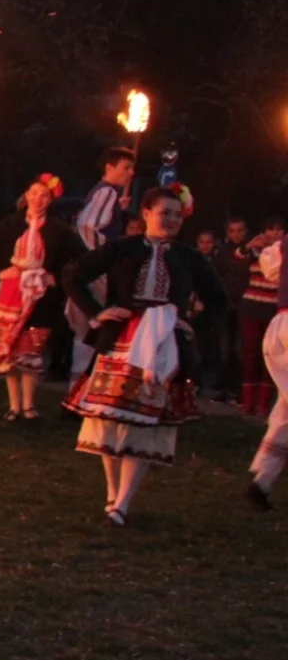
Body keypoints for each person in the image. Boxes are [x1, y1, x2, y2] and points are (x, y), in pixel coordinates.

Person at [61, 186, 227, 527]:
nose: (170, 220)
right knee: (111, 417)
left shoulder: (189, 257)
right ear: (147, 213)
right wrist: (96, 313)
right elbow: (73, 275)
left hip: (163, 346)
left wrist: (191, 326)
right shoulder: (122, 248)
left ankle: (123, 503)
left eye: (177, 215)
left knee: (147, 422)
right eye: (164, 212)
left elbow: (219, 301)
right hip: (122, 339)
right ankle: (112, 493)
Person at [0, 175, 83, 421]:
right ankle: (14, 405)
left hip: (41, 295)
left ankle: (29, 406)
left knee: (32, 349)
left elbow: (80, 256)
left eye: (44, 195)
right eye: (34, 193)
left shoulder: (59, 229)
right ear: (27, 195)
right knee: (11, 350)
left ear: (50, 200)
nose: (38, 199)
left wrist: (58, 278)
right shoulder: (11, 223)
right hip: (12, 292)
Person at [68, 147, 137, 377]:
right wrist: (101, 259)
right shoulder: (107, 192)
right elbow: (88, 225)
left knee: (90, 331)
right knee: (92, 328)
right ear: (109, 167)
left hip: (94, 269)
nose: (130, 173)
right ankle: (81, 385)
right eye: (125, 167)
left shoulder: (108, 194)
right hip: (98, 273)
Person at [245, 234, 288, 509]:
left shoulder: (283, 244)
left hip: (280, 324)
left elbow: (269, 267)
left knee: (286, 408)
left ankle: (262, 481)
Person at [235, 220, 286, 414]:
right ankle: (248, 403)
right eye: (270, 229)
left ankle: (263, 403)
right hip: (252, 306)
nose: (274, 233)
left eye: (278, 229)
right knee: (250, 353)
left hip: (275, 309)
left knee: (272, 355)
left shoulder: (283, 253)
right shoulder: (256, 251)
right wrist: (249, 246)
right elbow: (236, 258)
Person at [209, 217, 252, 401]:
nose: (237, 234)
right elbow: (216, 275)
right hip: (227, 305)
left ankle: (238, 389)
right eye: (233, 230)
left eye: (240, 230)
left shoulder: (252, 251)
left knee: (241, 349)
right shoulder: (222, 252)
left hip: (246, 305)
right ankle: (224, 388)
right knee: (225, 348)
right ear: (227, 233)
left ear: (246, 231)